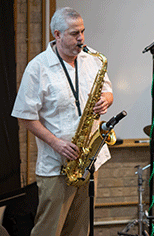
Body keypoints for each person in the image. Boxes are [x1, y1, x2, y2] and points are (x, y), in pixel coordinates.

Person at [11, 7, 113, 236]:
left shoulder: (93, 59)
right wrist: (57, 143)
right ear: (57, 35)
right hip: (58, 165)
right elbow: (24, 115)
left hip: (89, 161)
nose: (81, 38)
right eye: (74, 33)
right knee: (49, 230)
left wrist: (106, 100)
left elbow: (108, 91)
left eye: (83, 32)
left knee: (80, 230)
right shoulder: (38, 67)